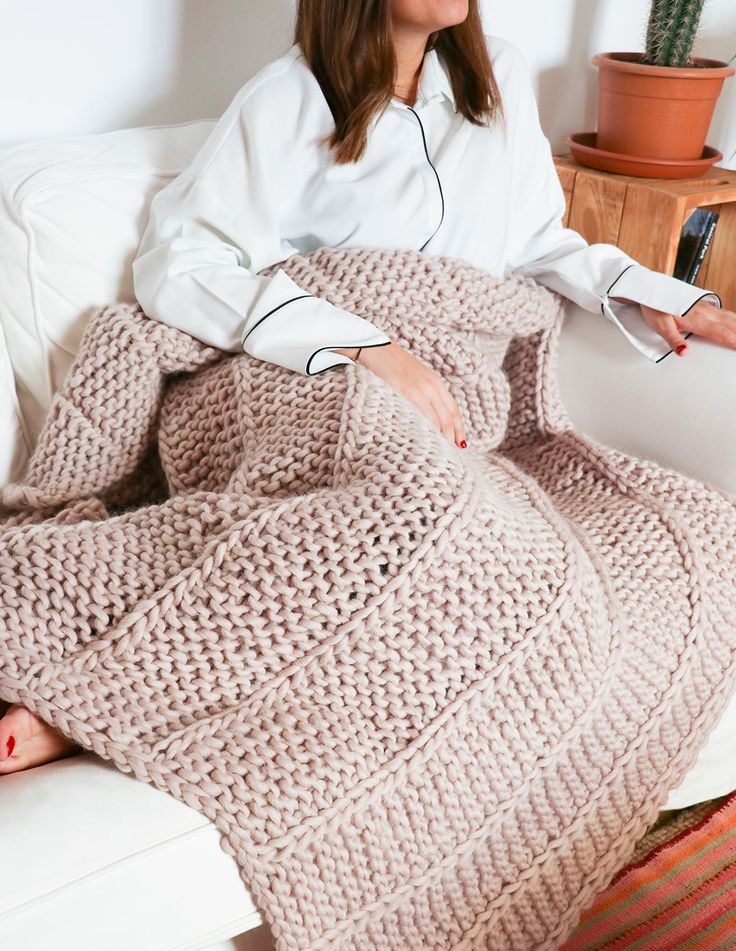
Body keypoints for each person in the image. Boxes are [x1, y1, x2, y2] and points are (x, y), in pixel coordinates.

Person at [2, 0, 735, 775]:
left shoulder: (499, 81)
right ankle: (91, 689)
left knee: (642, 546)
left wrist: (649, 288)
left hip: (440, 388)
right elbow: (179, 262)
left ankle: (108, 699)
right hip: (294, 372)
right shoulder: (287, 97)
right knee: (407, 501)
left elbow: (532, 240)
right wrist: (368, 345)